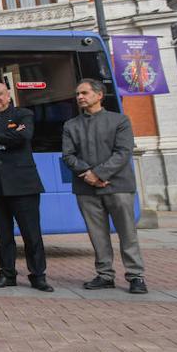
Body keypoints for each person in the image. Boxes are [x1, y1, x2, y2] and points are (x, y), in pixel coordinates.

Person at [62, 79, 147, 294]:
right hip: (86, 188)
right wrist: (89, 176)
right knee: (97, 234)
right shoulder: (71, 125)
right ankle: (105, 274)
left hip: (118, 186)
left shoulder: (120, 120)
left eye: (84, 92)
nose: (80, 97)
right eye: (78, 93)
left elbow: (123, 152)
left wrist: (98, 174)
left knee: (127, 233)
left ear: (99, 95)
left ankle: (136, 276)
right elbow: (68, 156)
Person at [0, 82, 52, 292]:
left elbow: (24, 136)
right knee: (3, 234)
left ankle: (38, 275)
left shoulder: (23, 114)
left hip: (23, 184)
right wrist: (4, 139)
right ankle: (7, 274)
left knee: (31, 233)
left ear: (8, 95)